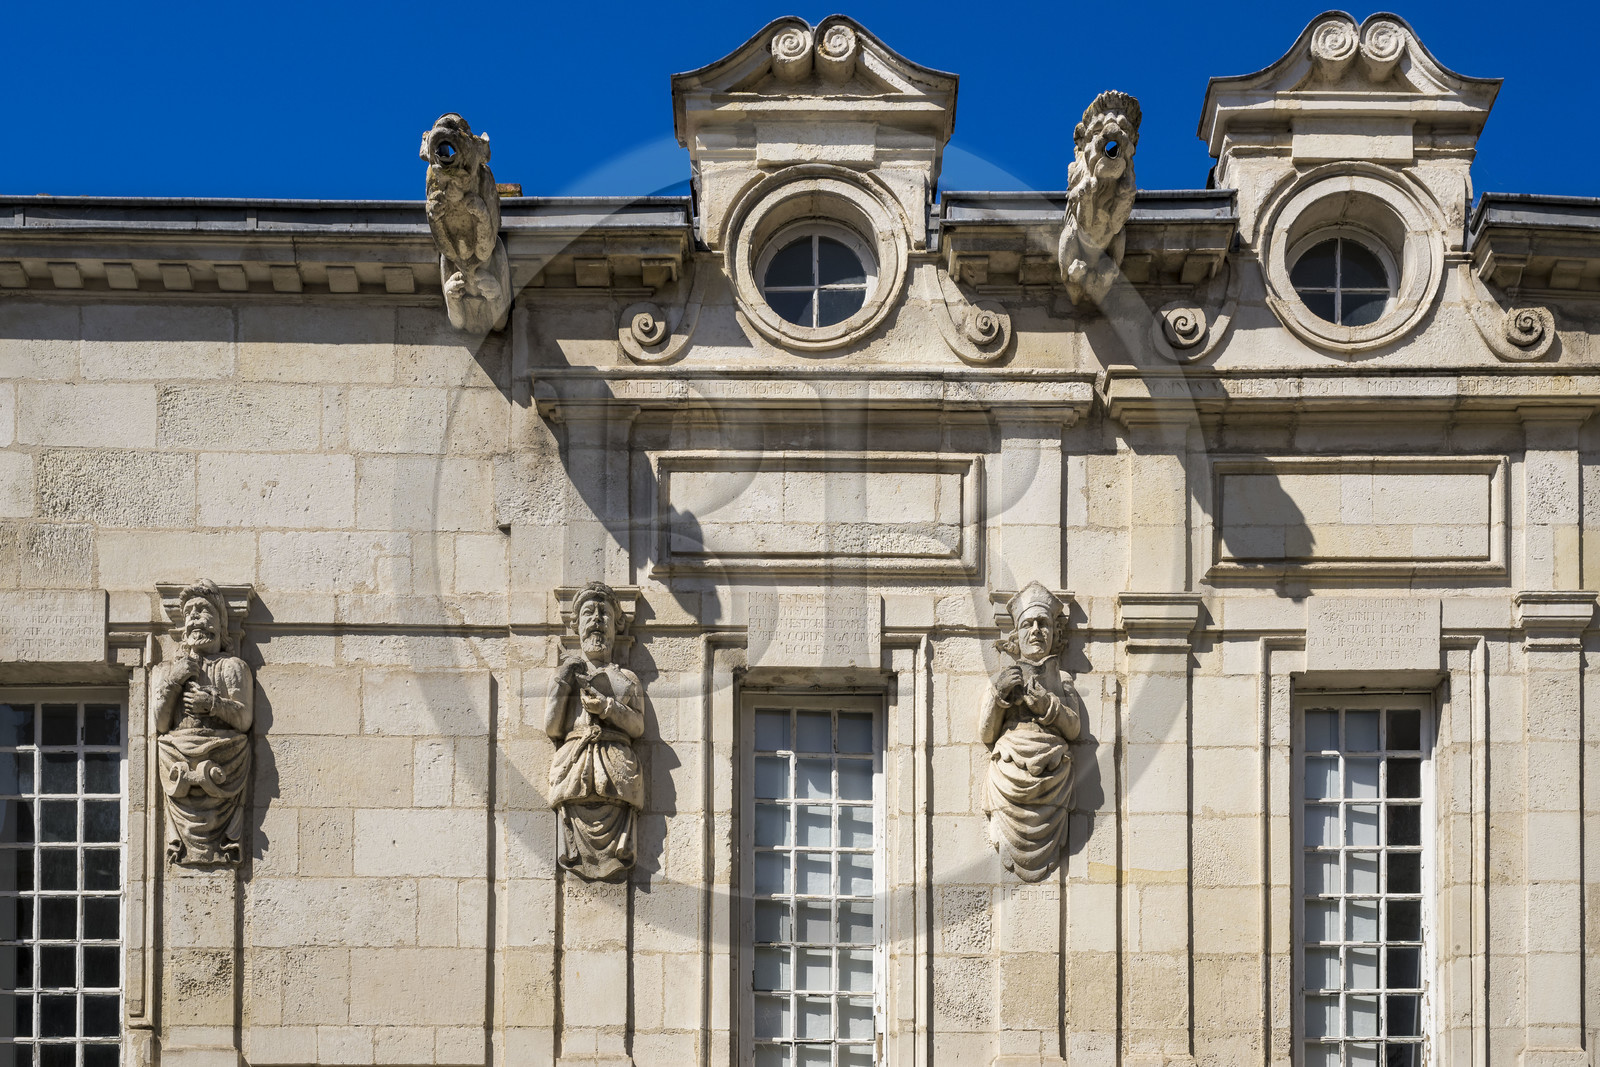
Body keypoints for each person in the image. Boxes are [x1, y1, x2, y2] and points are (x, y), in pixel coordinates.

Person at [979, 581, 1082, 882]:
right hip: (1010, 768)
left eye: (1044, 624)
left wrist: (1047, 706)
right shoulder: (1002, 677)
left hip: (1052, 769)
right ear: (1017, 634)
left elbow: (1073, 728)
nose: (1036, 630)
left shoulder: (1062, 679)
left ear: (1054, 634)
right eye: (1028, 624)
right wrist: (1000, 696)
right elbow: (987, 732)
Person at [545, 582, 646, 880]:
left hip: (616, 769)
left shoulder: (627, 677)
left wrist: (607, 707)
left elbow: (638, 726)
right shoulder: (566, 674)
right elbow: (552, 726)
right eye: (588, 613)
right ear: (577, 626)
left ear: (616, 626)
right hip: (575, 767)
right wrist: (562, 681)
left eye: (604, 614)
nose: (596, 620)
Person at [151, 580, 253, 866]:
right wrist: (175, 679)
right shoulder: (166, 671)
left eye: (204, 609)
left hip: (224, 758)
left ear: (221, 625)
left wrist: (212, 704)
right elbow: (160, 723)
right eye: (190, 612)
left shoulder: (232, 667)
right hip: (178, 757)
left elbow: (244, 720)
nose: (195, 616)